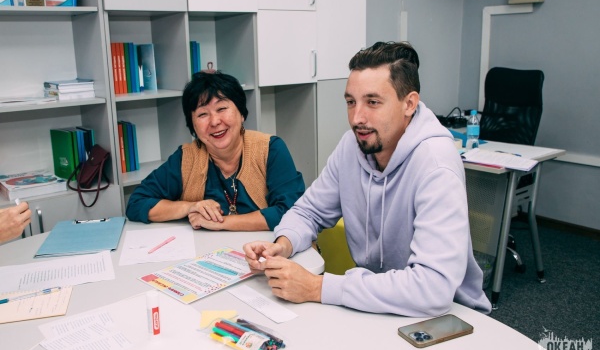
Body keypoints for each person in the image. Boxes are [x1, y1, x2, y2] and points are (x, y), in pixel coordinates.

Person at [243, 41, 492, 316]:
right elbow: (308, 212)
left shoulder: (436, 165)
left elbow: (432, 288)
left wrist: (317, 287)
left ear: (409, 104)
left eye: (373, 102)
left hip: (449, 315)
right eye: (351, 102)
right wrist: (282, 245)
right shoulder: (352, 146)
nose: (357, 118)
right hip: (378, 302)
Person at [126, 71, 305, 231]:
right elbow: (136, 203)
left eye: (222, 109)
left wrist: (222, 222)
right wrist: (190, 207)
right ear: (193, 126)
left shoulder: (270, 149)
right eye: (202, 114)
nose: (214, 121)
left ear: (241, 113)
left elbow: (291, 212)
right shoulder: (186, 158)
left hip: (266, 250)